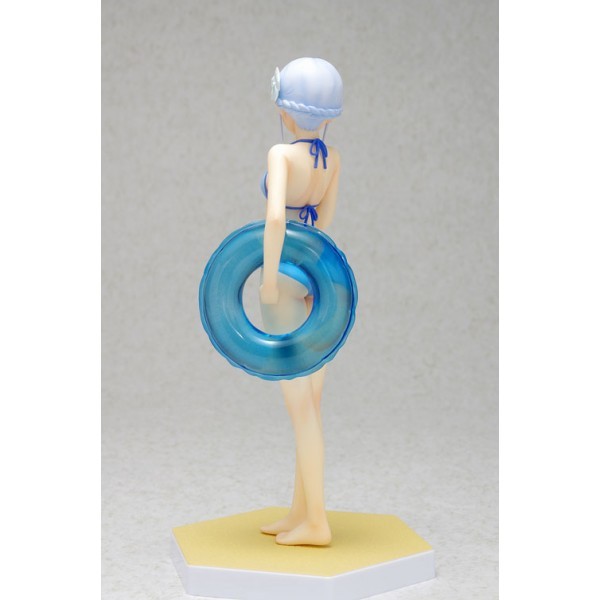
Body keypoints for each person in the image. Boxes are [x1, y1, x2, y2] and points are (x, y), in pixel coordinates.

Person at [258, 57, 343, 546]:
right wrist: (314, 277)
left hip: (285, 283)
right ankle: (300, 512)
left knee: (301, 411)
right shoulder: (331, 160)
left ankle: (317, 522)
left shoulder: (280, 154)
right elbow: (325, 227)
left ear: (286, 111)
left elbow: (275, 220)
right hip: (316, 285)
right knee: (311, 404)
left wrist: (269, 281)